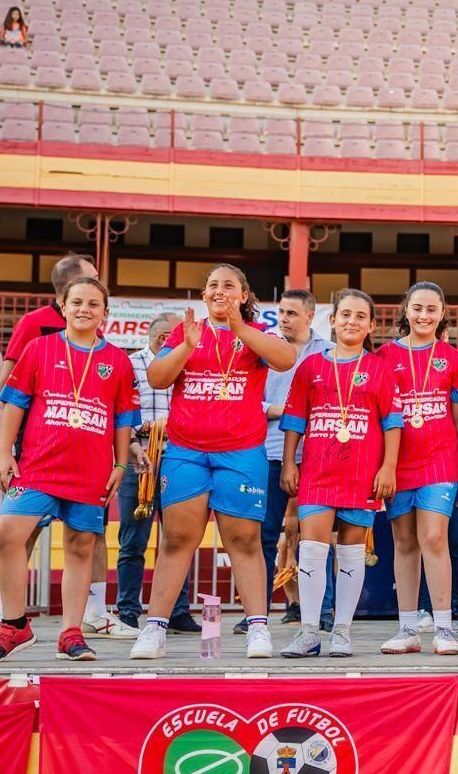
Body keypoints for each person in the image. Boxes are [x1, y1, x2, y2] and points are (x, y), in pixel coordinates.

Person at [131, 264, 297, 659]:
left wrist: (240, 329)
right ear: (204, 296)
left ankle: (258, 626)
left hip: (241, 451)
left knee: (243, 539)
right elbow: (156, 378)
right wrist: (186, 346)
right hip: (187, 450)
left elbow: (286, 358)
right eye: (212, 286)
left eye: (229, 285)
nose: (220, 291)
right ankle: (155, 628)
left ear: (242, 295)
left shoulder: (256, 333)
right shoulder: (184, 333)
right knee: (176, 539)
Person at [0, 276, 136, 662]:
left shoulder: (117, 360)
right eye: (77, 302)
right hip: (38, 465)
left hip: (90, 469)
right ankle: (14, 625)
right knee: (7, 533)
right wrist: (4, 455)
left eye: (93, 304)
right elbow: (14, 404)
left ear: (105, 313)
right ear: (62, 307)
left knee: (81, 546)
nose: (84, 309)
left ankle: (71, 633)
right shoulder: (38, 348)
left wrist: (120, 463)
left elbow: (122, 419)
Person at [278, 290, 401, 657]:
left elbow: (392, 422)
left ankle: (342, 631)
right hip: (316, 471)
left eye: (360, 316)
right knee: (312, 548)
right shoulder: (311, 366)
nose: (352, 321)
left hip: (362, 471)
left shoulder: (379, 368)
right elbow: (295, 420)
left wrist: (388, 466)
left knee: (350, 553)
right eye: (345, 314)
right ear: (331, 321)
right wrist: (289, 462)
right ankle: (309, 631)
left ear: (371, 325)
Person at [379, 281, 458, 655]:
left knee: (433, 538)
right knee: (404, 542)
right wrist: (383, 466)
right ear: (406, 310)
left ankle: (444, 627)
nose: (424, 316)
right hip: (398, 463)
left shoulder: (453, 358)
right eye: (417, 308)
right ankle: (408, 628)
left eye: (432, 309)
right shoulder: (384, 355)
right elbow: (380, 415)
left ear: (443, 313)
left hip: (440, 460)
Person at [237, 289, 325, 634]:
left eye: (291, 313)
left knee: (317, 538)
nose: (284, 319)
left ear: (309, 316)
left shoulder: (329, 352)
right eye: (281, 313)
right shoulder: (264, 349)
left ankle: (321, 609)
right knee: (263, 534)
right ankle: (255, 613)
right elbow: (249, 398)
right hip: (272, 450)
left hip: (318, 453)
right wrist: (281, 412)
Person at [115, 312, 198, 634]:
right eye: (162, 334)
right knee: (133, 540)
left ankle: (178, 611)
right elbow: (122, 408)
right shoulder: (131, 363)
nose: (166, 339)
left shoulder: (188, 360)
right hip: (140, 456)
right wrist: (140, 435)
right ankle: (127, 610)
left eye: (172, 334)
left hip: (179, 457)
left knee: (179, 537)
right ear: (151, 333)